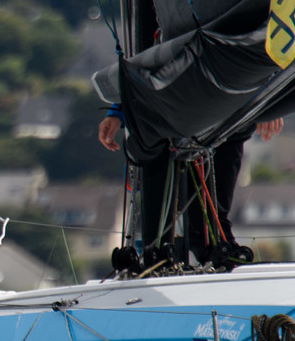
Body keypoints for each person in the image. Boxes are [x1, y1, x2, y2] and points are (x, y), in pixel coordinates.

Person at [98, 110, 283, 266]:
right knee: (160, 239)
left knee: (210, 228)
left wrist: (271, 105)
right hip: (163, 123)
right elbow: (136, 70)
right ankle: (157, 259)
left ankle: (218, 258)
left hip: (225, 121)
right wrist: (117, 113)